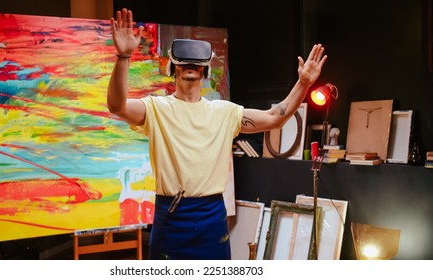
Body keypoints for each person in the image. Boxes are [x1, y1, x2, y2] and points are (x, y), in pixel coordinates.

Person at [107, 8, 327, 260]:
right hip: (171, 214)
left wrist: (303, 84)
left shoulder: (224, 112)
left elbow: (274, 118)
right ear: (173, 67)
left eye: (195, 62)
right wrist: (123, 56)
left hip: (211, 214)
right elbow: (117, 106)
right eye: (183, 60)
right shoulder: (156, 108)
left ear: (205, 70)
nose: (190, 65)